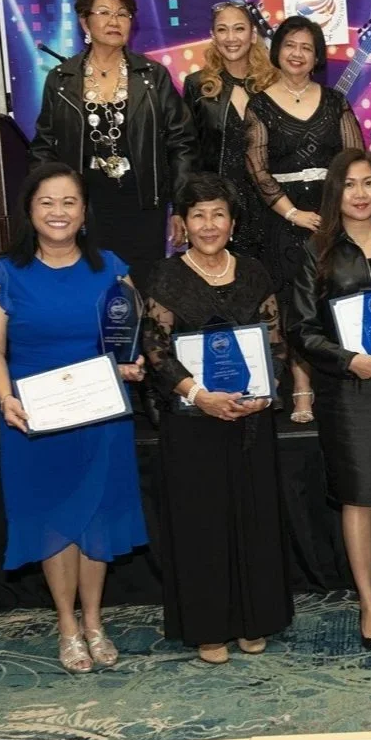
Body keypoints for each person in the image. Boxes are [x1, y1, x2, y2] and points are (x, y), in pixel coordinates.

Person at [0, 163, 148, 673]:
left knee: (97, 515)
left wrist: (133, 364)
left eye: (69, 202)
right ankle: (67, 626)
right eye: (47, 202)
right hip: (35, 417)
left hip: (101, 413)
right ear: (30, 211)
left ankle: (94, 621)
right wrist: (4, 397)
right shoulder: (2, 274)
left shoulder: (112, 269)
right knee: (55, 518)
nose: (58, 212)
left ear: (84, 211)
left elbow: (129, 337)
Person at [141, 173, 292, 663]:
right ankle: (208, 628)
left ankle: (255, 620)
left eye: (218, 214)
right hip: (193, 421)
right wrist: (199, 394)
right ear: (183, 224)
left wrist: (265, 391)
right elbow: (156, 350)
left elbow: (275, 340)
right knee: (201, 524)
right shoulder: (166, 276)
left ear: (233, 222)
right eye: (198, 215)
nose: (209, 225)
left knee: (253, 517)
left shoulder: (254, 272)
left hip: (250, 419)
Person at [287, 150, 371, 652]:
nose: (361, 194)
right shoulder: (316, 250)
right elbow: (301, 328)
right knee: (358, 495)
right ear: (335, 193)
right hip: (347, 391)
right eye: (350, 185)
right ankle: (367, 601)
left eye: (368, 183)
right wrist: (348, 360)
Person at [30, 0, 195, 294]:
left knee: (143, 289)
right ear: (85, 21)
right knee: (91, 290)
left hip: (143, 205)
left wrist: (181, 206)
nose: (114, 21)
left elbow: (182, 143)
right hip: (84, 208)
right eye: (104, 12)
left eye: (122, 13)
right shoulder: (62, 79)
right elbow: (43, 147)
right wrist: (51, 205)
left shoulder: (152, 76)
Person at [245, 15, 365, 423]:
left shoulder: (335, 101)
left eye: (306, 48)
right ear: (277, 50)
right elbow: (257, 169)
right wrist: (293, 213)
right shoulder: (260, 104)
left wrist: (337, 210)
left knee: (336, 293)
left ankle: (346, 372)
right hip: (283, 217)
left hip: (334, 214)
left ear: (317, 57)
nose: (297, 54)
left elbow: (354, 158)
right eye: (290, 45)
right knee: (293, 304)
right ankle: (301, 387)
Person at [181, 0, 277, 262]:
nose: (231, 38)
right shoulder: (198, 85)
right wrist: (182, 207)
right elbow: (186, 152)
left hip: (271, 204)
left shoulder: (273, 83)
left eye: (239, 29)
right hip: (218, 209)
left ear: (253, 34)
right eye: (222, 30)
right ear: (213, 36)